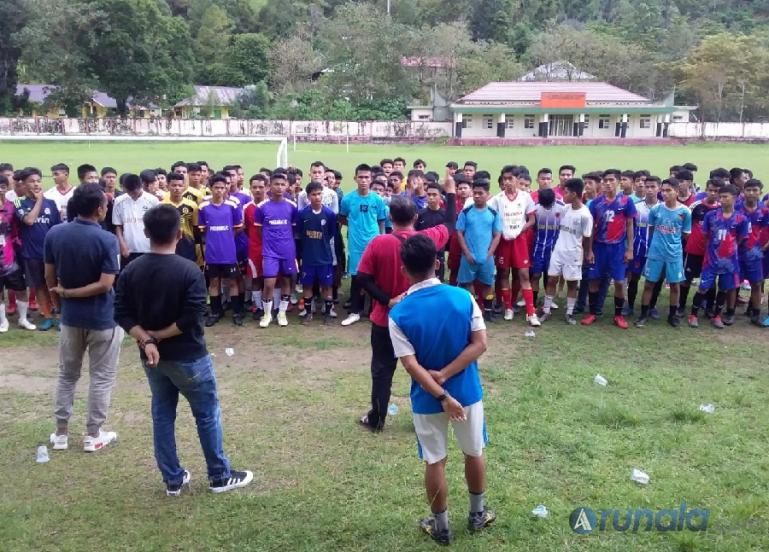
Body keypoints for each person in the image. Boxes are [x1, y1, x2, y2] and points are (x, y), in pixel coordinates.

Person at [114, 204, 253, 496]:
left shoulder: (131, 270)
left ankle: (173, 478)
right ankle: (219, 475)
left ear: (145, 232)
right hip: (189, 357)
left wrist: (147, 339)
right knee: (206, 414)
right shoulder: (188, 270)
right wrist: (157, 337)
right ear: (180, 233)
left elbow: (121, 313)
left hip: (153, 358)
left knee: (163, 414)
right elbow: (190, 318)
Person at [389, 234, 495, 546]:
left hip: (426, 397)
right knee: (474, 451)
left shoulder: (400, 313)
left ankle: (441, 527)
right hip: (467, 392)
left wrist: (440, 394)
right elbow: (480, 345)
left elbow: (410, 365)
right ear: (438, 263)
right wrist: (448, 377)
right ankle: (478, 515)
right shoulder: (463, 298)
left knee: (435, 460)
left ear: (404, 270)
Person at [355, 174, 456, 432]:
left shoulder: (379, 243)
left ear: (390, 218)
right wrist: (451, 194)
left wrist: (387, 300)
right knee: (425, 369)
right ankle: (427, 414)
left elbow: (363, 278)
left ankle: (377, 418)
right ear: (415, 218)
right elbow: (450, 223)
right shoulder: (427, 239)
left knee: (382, 370)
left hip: (384, 319)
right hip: (421, 319)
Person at [44, 183, 124, 452]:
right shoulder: (106, 239)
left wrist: (60, 300)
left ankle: (61, 433)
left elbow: (48, 275)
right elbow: (105, 284)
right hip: (102, 318)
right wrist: (70, 293)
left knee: (67, 375)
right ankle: (93, 434)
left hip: (70, 319)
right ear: (100, 208)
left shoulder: (55, 233)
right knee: (101, 377)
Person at [582, 169, 636, 329]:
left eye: (611, 180)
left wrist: (630, 249)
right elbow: (590, 228)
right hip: (599, 247)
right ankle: (592, 313)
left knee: (619, 282)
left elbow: (629, 225)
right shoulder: (596, 202)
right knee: (593, 279)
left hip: (618, 248)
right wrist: (589, 250)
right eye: (605, 180)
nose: (607, 183)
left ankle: (618, 315)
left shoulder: (626, 201)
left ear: (619, 182)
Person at [688, 184, 749, 329]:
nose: (721, 199)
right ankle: (693, 315)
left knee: (723, 289)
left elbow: (740, 239)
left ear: (734, 198)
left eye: (725, 197)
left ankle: (716, 316)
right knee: (703, 287)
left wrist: (729, 249)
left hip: (729, 262)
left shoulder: (741, 219)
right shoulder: (711, 216)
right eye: (720, 197)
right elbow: (706, 235)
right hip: (711, 260)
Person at [635, 179, 692, 327]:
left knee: (674, 286)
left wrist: (673, 244)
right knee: (649, 284)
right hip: (656, 253)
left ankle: (672, 316)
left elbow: (686, 235)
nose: (665, 194)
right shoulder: (656, 210)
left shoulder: (685, 212)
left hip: (674, 254)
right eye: (663, 190)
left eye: (669, 190)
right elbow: (652, 229)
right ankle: (643, 315)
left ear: (677, 192)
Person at [489, 165, 539, 325]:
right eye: (505, 179)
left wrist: (520, 230)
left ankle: (531, 313)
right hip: (504, 242)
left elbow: (532, 220)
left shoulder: (525, 197)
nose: (507, 182)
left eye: (510, 178)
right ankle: (508, 307)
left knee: (524, 275)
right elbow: (490, 219)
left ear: (518, 179)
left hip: (520, 241)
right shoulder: (497, 199)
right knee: (504, 274)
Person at [339, 164, 386, 326]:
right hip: (356, 245)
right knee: (356, 277)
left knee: (375, 277)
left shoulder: (378, 200)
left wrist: (381, 240)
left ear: (371, 179)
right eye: (361, 177)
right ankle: (355, 311)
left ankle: (375, 310)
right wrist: (354, 228)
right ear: (355, 178)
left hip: (373, 244)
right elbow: (342, 217)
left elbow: (381, 221)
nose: (364, 180)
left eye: (367, 177)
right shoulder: (348, 199)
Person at [13, 167, 61, 330]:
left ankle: (60, 315)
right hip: (31, 252)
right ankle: (47, 315)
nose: (36, 184)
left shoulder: (51, 203)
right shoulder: (19, 202)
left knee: (54, 284)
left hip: (50, 253)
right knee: (39, 285)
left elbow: (56, 228)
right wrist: (39, 200)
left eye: (38, 181)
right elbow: (29, 220)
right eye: (31, 181)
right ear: (24, 185)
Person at [540, 178, 593, 324]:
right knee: (551, 279)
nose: (563, 194)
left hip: (574, 253)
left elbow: (587, 236)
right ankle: (546, 310)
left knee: (572, 283)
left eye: (566, 192)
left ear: (575, 194)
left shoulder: (585, 215)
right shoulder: (565, 208)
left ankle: (569, 313)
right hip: (558, 250)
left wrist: (588, 252)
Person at [198, 174, 244, 326]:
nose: (219, 191)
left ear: (226, 189)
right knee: (214, 282)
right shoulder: (203, 207)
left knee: (232, 282)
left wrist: (227, 238)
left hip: (229, 253)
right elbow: (203, 230)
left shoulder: (232, 205)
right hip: (212, 254)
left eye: (222, 188)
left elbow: (238, 226)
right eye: (216, 188)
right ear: (210, 188)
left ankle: (237, 312)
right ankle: (215, 311)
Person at [255, 171, 298, 328]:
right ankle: (267, 314)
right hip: (270, 252)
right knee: (269, 284)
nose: (279, 187)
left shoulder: (292, 207)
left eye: (282, 184)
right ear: (270, 186)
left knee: (286, 281)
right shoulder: (261, 207)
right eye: (276, 184)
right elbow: (260, 230)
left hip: (287, 251)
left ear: (287, 186)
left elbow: (293, 229)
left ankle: (282, 313)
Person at [456, 178, 502, 320]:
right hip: (468, 257)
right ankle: (473, 311)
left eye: (480, 193)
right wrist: (467, 252)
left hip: (486, 257)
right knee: (467, 284)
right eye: (474, 193)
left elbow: (497, 235)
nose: (476, 196)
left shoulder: (493, 214)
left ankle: (488, 310)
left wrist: (490, 253)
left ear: (487, 195)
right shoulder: (465, 212)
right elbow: (459, 233)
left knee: (488, 284)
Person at [679, 179, 721, 315]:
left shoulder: (721, 208)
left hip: (712, 252)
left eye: (717, 191)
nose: (713, 193)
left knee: (710, 279)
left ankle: (709, 308)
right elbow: (685, 225)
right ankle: (681, 306)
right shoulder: (696, 206)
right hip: (694, 250)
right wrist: (691, 240)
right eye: (711, 190)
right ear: (706, 190)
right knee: (686, 278)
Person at [297, 181, 337, 324]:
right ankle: (308, 313)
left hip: (325, 258)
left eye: (319, 194)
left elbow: (331, 233)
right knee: (307, 286)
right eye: (313, 194)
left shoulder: (329, 214)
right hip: (308, 258)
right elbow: (300, 233)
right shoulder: (302, 214)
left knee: (327, 286)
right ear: (308, 197)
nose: (317, 197)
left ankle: (327, 313)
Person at [0, 174, 36, 332]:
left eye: (3, 186)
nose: (0, 189)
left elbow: (18, 227)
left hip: (10, 256)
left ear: (6, 188)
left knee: (20, 288)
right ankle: (3, 321)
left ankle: (23, 318)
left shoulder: (12, 205)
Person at [624, 176, 659, 318]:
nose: (649, 190)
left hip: (656, 251)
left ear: (659, 188)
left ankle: (651, 307)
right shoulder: (636, 207)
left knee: (655, 279)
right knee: (634, 278)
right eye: (647, 186)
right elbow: (629, 228)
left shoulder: (662, 208)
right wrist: (630, 248)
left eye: (653, 187)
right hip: (638, 250)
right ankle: (630, 305)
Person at [737, 178, 768, 325]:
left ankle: (755, 313)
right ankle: (728, 311)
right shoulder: (736, 207)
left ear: (760, 192)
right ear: (743, 192)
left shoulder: (764, 211)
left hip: (755, 253)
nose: (751, 193)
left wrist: (763, 247)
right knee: (733, 282)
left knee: (756, 283)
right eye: (748, 190)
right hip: (736, 252)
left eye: (755, 190)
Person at [112, 173, 159, 267]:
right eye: (130, 192)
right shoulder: (119, 201)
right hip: (128, 249)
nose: (133, 194)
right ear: (124, 189)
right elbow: (118, 225)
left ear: (141, 186)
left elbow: (157, 225)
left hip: (148, 248)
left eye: (135, 191)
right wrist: (122, 244)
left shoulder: (153, 200)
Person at [243, 174, 268, 319]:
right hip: (254, 249)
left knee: (273, 278)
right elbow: (246, 228)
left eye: (261, 187)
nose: (258, 190)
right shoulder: (247, 208)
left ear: (267, 187)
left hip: (272, 249)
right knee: (256, 279)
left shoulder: (272, 205)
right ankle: (258, 307)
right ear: (250, 188)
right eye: (254, 187)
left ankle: (274, 307)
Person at [415, 181, 449, 281]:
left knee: (437, 282)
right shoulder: (419, 214)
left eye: (434, 195)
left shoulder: (445, 215)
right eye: (429, 194)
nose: (431, 197)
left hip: (438, 255)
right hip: (421, 254)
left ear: (440, 197)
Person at [161, 172, 198, 262]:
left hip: (187, 242)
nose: (177, 188)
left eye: (180, 185)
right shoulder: (162, 205)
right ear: (168, 186)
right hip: (168, 242)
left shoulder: (192, 205)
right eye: (174, 185)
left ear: (184, 187)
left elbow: (195, 227)